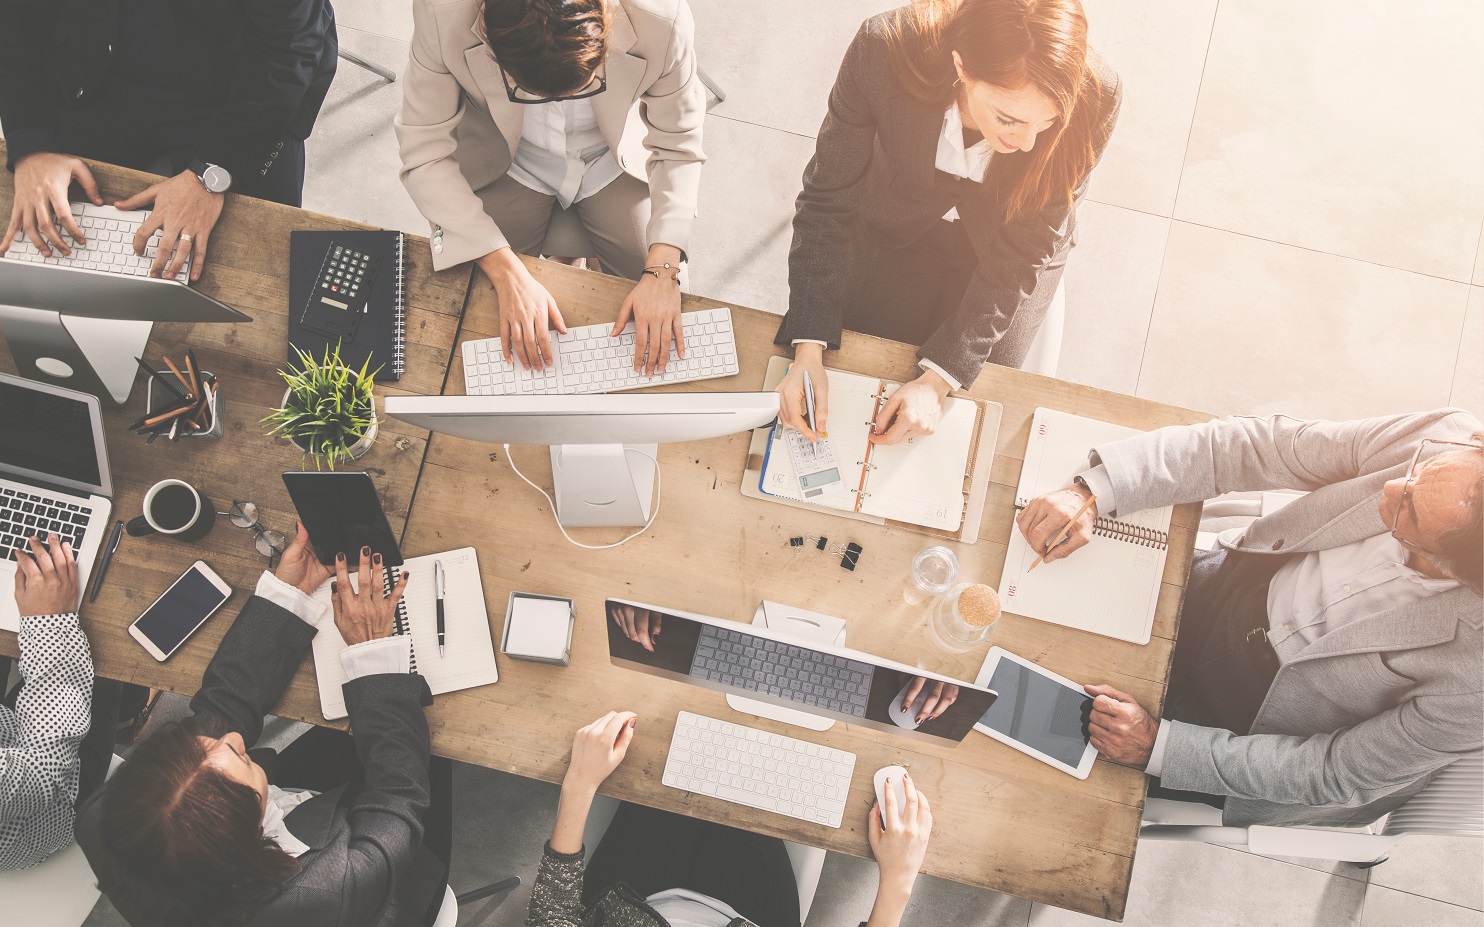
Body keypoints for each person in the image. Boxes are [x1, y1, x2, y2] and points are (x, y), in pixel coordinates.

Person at [1014, 409, 1484, 826]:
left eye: (1409, 514)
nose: (1393, 484)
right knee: (1022, 632)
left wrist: (1156, 746)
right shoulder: (1449, 435)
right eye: (1421, 469)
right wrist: (1094, 491)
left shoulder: (1476, 681)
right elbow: (1258, 446)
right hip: (1231, 587)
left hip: (1251, 727)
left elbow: (1334, 771)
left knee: (1036, 775)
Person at [774, 0, 1120, 446]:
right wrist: (807, 348)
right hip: (896, 220)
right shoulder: (884, 47)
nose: (1029, 143)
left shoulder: (1099, 94)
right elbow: (828, 199)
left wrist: (939, 379)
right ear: (961, 65)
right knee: (860, 369)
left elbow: (1025, 252)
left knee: (974, 411)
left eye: (1047, 122)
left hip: (1011, 250)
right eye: (1008, 118)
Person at [77, 531, 455, 927]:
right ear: (253, 836)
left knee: (353, 731)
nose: (237, 739)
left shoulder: (107, 818)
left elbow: (221, 710)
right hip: (394, 866)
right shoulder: (324, 892)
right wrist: (374, 654)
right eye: (241, 757)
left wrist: (292, 593)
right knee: (434, 742)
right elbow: (399, 798)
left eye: (210, 745)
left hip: (304, 815)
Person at [396, 0, 706, 376]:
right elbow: (423, 150)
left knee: (673, 313)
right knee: (471, 314)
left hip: (612, 160)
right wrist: (505, 271)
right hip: (508, 161)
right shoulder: (440, 11)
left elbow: (679, 145)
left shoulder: (663, 17)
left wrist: (662, 270)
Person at [0, 0, 338, 280]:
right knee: (45, 256)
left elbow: (287, 50)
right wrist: (31, 143)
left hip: (240, 91)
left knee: (263, 269)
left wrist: (213, 172)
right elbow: (17, 18)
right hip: (96, 74)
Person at [526, 711, 934, 927]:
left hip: (628, 895)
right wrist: (899, 877)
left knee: (678, 746)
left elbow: (551, 918)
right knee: (756, 759)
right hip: (746, 907)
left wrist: (579, 783)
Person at [1, 533, 123, 871]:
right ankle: (129, 718)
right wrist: (47, 623)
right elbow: (40, 771)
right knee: (105, 654)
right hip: (51, 796)